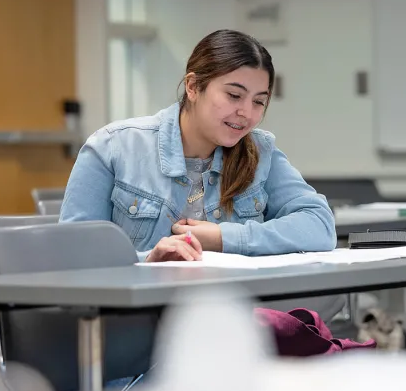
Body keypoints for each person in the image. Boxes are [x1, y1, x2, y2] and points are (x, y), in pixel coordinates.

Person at [60, 29, 337, 262]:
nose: (246, 112)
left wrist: (222, 238)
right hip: (136, 320)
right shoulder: (112, 148)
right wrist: (147, 261)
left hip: (233, 315)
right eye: (234, 95)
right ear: (193, 87)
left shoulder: (261, 151)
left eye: (258, 101)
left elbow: (319, 225)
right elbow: (72, 257)